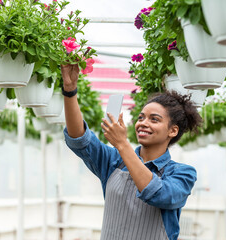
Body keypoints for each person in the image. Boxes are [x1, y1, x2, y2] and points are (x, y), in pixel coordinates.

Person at [61, 64, 202, 240]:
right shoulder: (114, 161)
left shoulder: (182, 173)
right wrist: (69, 90)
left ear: (172, 131)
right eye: (141, 117)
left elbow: (159, 194)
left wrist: (122, 144)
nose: (143, 123)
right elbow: (80, 139)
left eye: (154, 119)